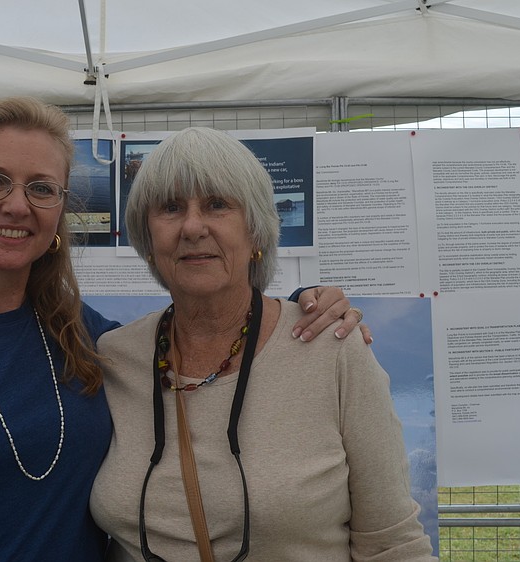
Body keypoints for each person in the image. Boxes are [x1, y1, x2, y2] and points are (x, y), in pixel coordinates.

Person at [0, 97, 366, 561]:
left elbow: (207, 334)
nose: (17, 205)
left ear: (58, 214)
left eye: (41, 188)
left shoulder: (85, 337)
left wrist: (301, 308)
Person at [90, 127, 437, 561]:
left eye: (217, 204)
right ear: (147, 238)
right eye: (171, 208)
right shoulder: (115, 357)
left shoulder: (332, 349)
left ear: (255, 231)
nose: (193, 226)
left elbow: (393, 544)